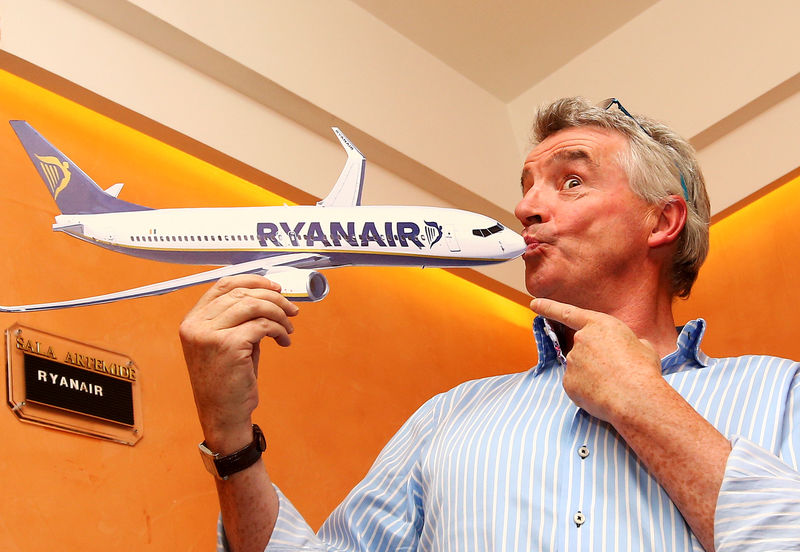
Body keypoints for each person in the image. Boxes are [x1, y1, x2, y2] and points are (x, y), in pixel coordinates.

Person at [180, 97, 800, 552]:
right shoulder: (446, 417)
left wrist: (643, 402)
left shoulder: (782, 396)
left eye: (572, 181)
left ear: (662, 222)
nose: (525, 207)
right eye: (527, 186)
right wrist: (230, 440)